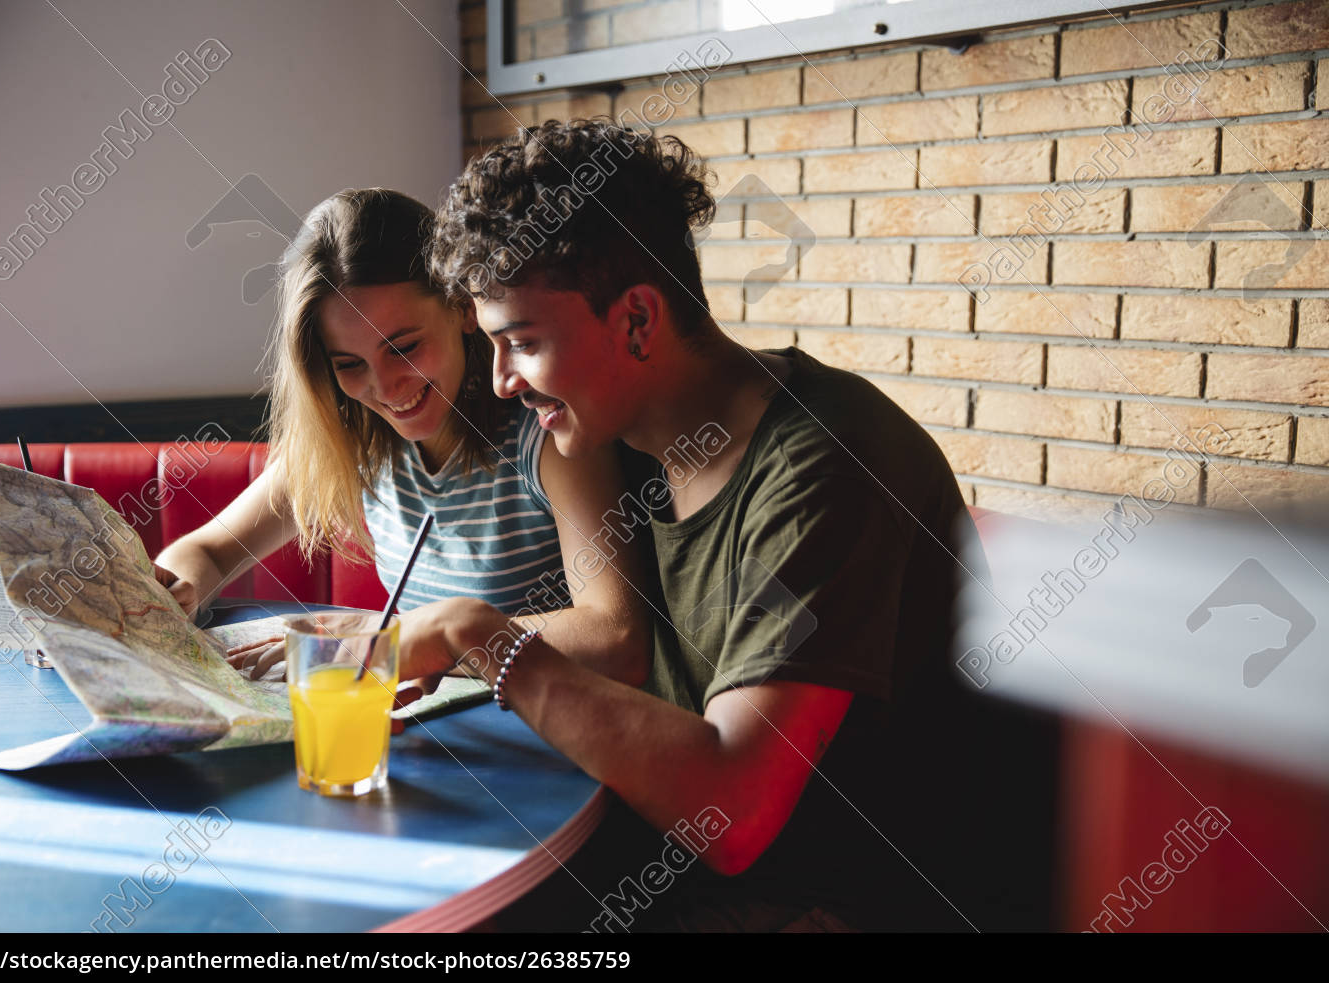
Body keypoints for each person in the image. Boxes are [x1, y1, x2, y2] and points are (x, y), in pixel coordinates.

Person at [401, 120, 1057, 931]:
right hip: (691, 877)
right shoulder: (622, 439)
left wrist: (487, 638)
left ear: (637, 321)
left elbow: (732, 814)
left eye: (523, 343)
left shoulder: (827, 464)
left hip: (850, 904)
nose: (501, 382)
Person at [152, 188, 650, 692]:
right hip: (430, 743)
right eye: (348, 364)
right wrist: (176, 590)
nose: (386, 388)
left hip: (548, 749)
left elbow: (617, 637)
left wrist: (393, 641)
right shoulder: (352, 437)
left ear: (462, 309)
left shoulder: (547, 430)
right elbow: (210, 552)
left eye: (404, 347)